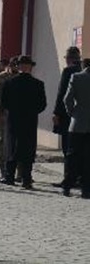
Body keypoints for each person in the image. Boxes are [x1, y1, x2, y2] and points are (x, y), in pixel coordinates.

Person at [0, 55, 47, 189]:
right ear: (30, 67)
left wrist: (13, 111)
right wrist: (31, 112)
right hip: (30, 121)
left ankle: (9, 176)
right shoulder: (38, 84)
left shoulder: (9, 83)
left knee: (12, 147)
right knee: (28, 148)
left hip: (13, 119)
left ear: (18, 67)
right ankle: (26, 178)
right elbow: (42, 104)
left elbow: (4, 102)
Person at [53, 46, 82, 188]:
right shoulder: (84, 71)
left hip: (67, 116)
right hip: (83, 118)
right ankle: (80, 177)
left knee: (67, 149)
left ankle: (68, 178)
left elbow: (63, 94)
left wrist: (57, 112)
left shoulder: (68, 71)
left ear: (68, 59)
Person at [62, 58, 90, 198]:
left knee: (72, 157)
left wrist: (73, 113)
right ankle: (86, 189)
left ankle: (67, 185)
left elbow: (67, 99)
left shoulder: (77, 77)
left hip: (77, 123)